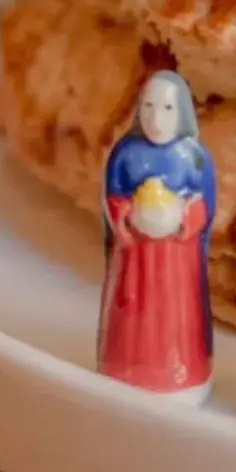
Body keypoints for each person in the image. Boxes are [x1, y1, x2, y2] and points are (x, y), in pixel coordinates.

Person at [97, 70, 217, 402]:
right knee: (134, 314)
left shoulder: (193, 157)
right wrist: (128, 213)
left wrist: (181, 215)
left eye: (166, 109)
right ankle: (126, 368)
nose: (156, 118)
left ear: (181, 111)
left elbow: (206, 205)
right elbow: (112, 195)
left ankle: (181, 372)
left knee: (176, 317)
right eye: (148, 106)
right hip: (135, 258)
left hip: (178, 260)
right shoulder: (125, 153)